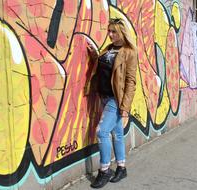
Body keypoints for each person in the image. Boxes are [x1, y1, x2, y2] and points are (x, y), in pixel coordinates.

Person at [85, 18, 138, 188]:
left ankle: (104, 170)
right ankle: (121, 168)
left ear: (121, 32)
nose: (110, 34)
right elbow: (103, 67)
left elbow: (130, 81)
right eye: (109, 31)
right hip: (104, 96)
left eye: (113, 31)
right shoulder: (107, 49)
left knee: (101, 132)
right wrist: (94, 54)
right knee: (117, 134)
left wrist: (125, 107)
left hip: (116, 99)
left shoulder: (129, 52)